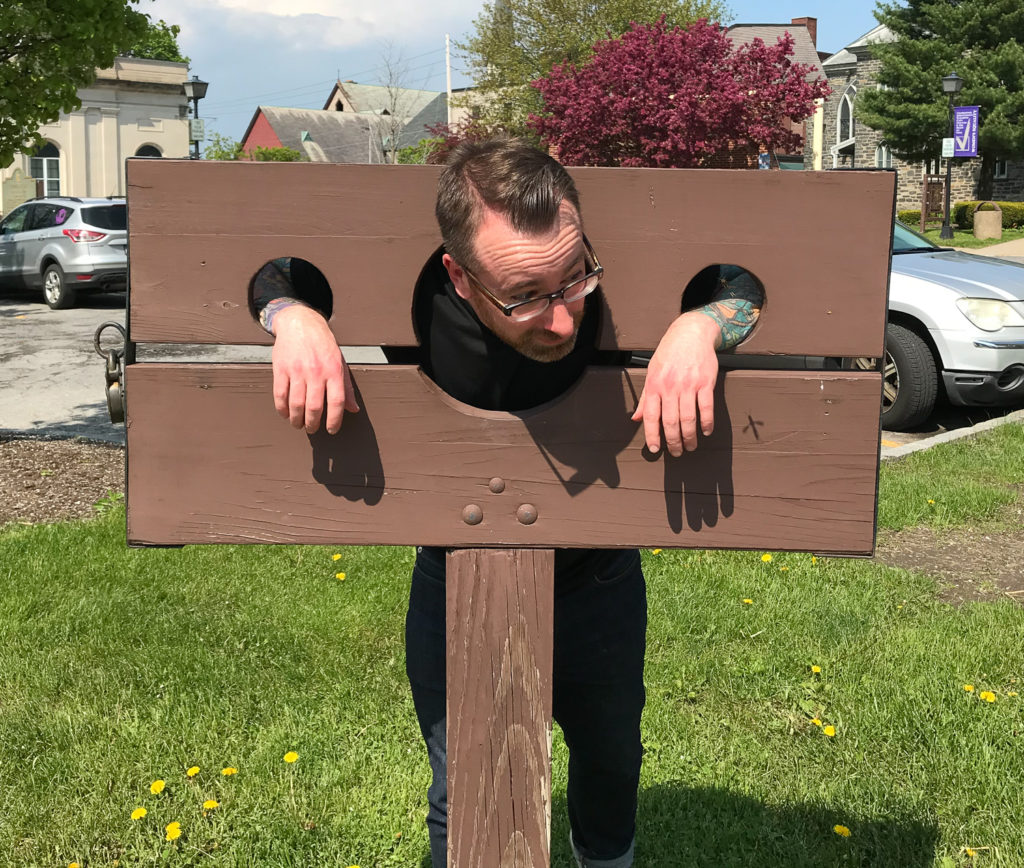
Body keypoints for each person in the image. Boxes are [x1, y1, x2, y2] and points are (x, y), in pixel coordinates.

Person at [253, 138, 761, 867]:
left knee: (612, 760)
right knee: (463, 787)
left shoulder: (595, 296)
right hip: (453, 571)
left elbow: (745, 279)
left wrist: (704, 324)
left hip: (600, 577)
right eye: (524, 296)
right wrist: (292, 317)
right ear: (457, 276)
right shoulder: (421, 298)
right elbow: (268, 274)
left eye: (574, 280)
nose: (561, 321)